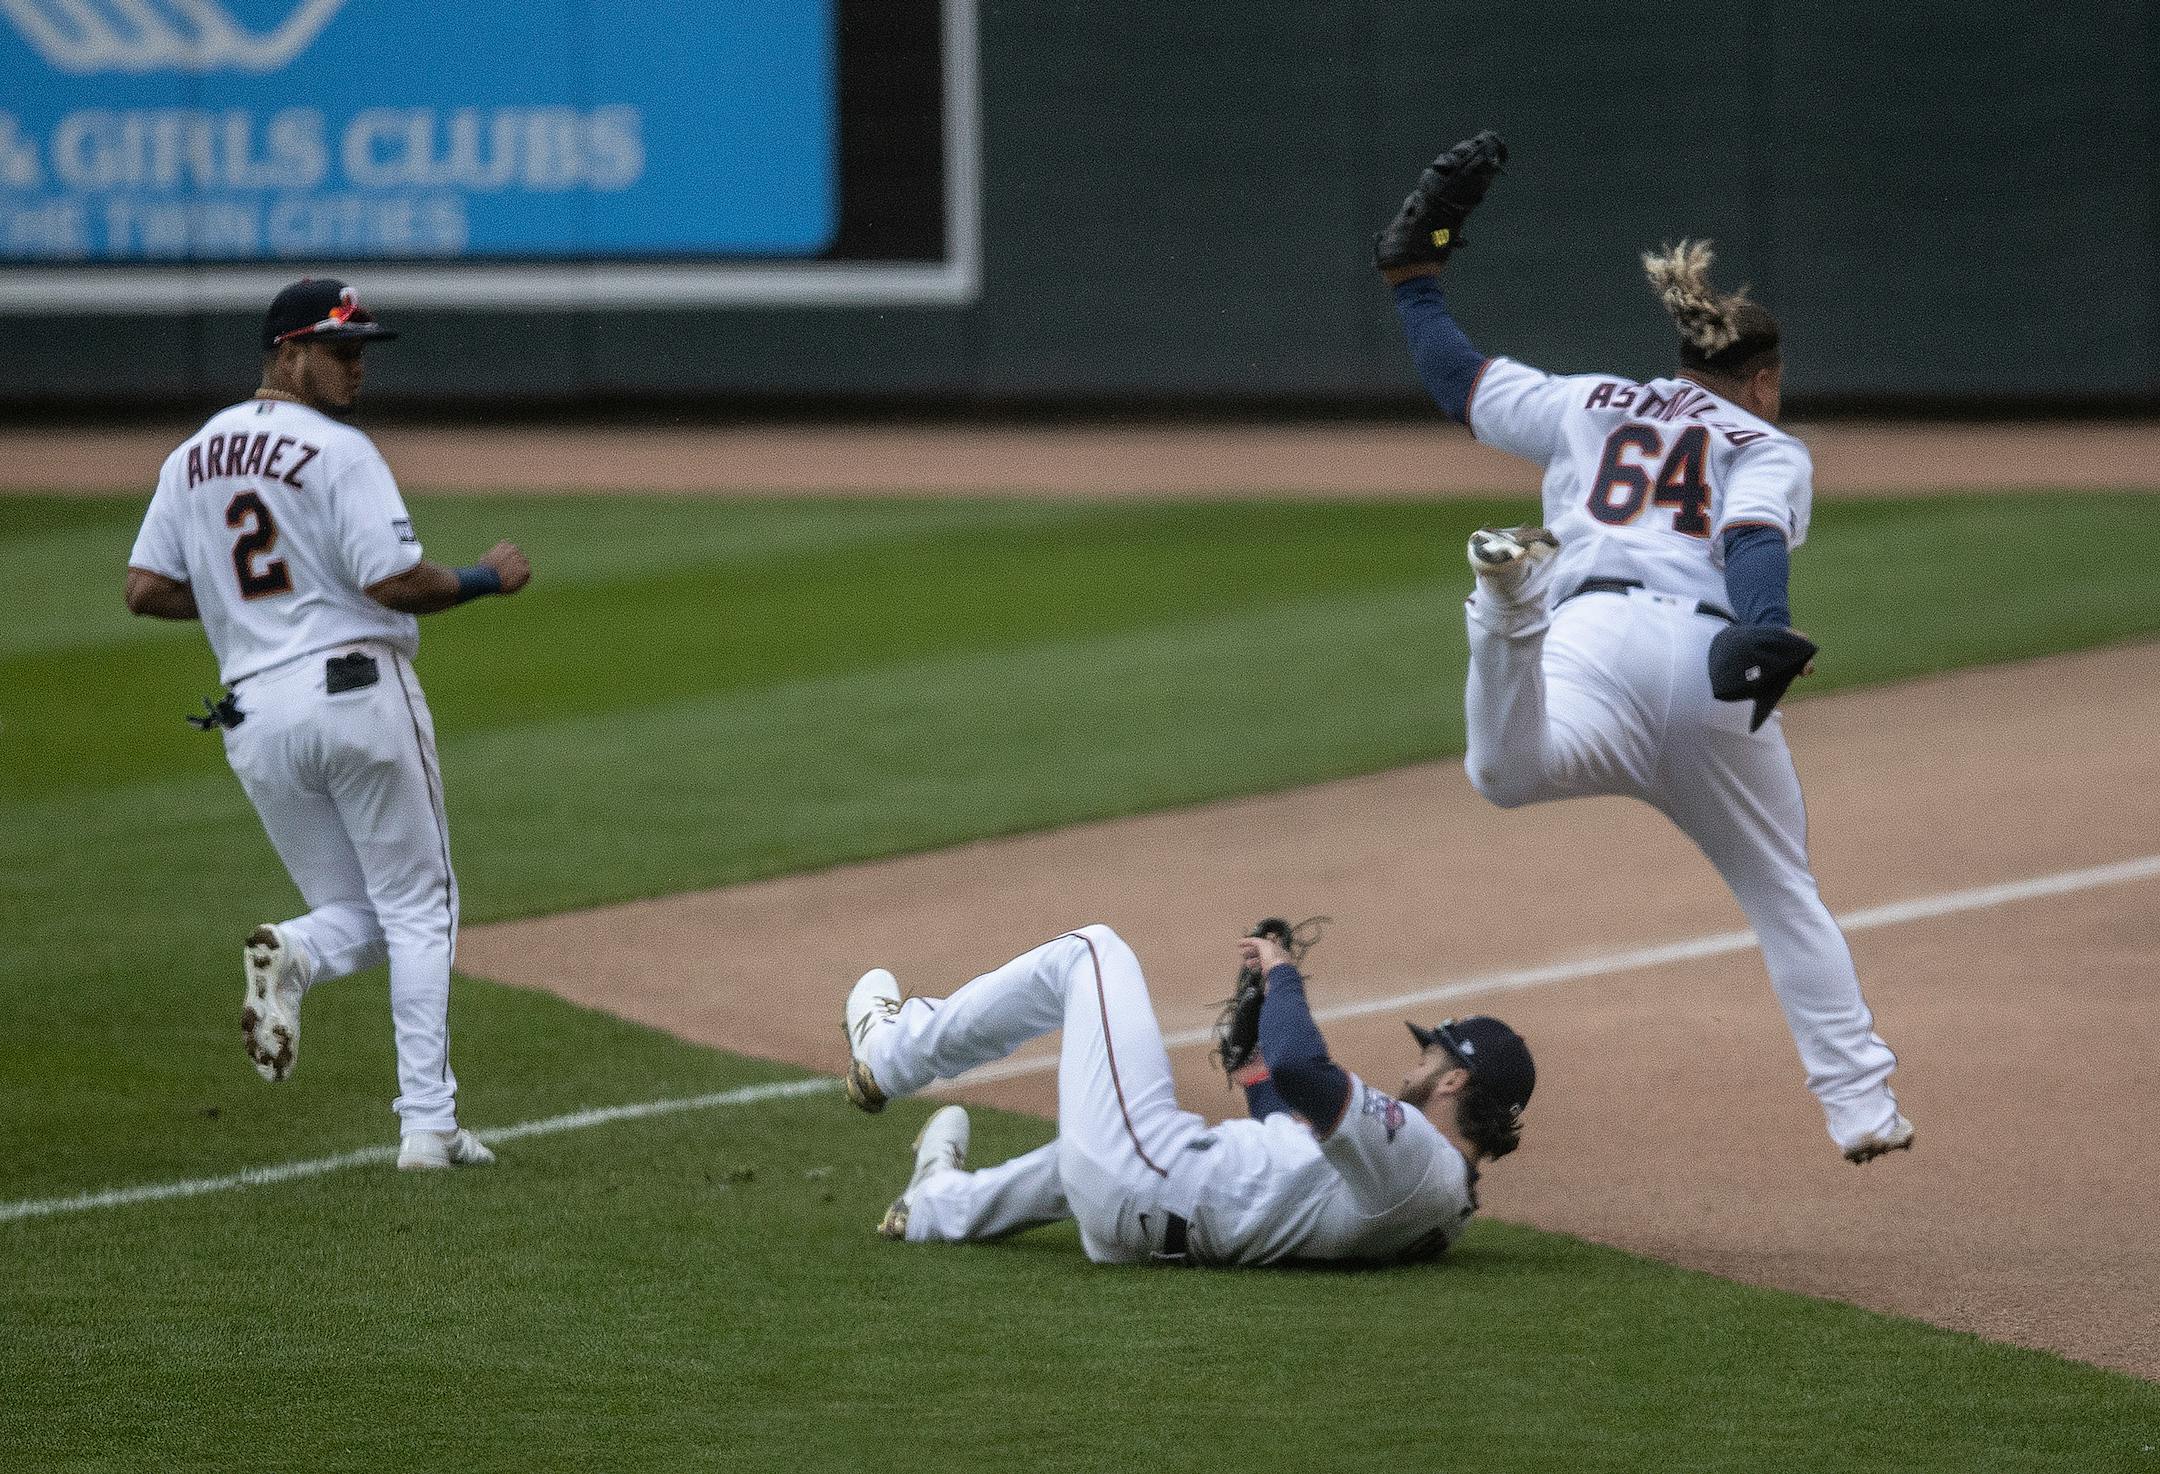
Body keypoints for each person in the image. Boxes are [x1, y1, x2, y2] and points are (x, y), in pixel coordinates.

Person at [1376, 133, 1911, 1164]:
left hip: (1585, 638)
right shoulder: (1768, 444)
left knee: (1503, 770)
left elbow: (1459, 381)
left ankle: (1504, 606)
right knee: (1784, 898)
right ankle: (1862, 1110)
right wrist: (1761, 625)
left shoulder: (1591, 402)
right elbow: (1748, 538)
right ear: (1758, 380)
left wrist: (1417, 286)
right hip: (1707, 668)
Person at [123, 278, 530, 1172]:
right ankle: (428, 1126)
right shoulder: (338, 451)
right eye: (335, 349)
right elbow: (393, 581)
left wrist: (243, 608)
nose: (354, 366)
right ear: (284, 351)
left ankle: (297, 951)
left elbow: (144, 589)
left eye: (360, 351)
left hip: (254, 716)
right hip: (355, 695)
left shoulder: (190, 456)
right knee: (423, 907)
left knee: (362, 912)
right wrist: (484, 578)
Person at [840, 923, 1536, 1266]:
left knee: (1091, 952)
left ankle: (891, 1053)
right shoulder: (1440, 1207)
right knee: (1078, 1156)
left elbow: (1303, 1066)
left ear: (1454, 1081)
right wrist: (1255, 1067)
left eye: (1430, 1054)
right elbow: (1288, 1134)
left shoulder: (1418, 1157)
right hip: (1154, 1213)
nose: (1414, 1065)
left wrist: (1284, 976)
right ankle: (934, 1205)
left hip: (1147, 1182)